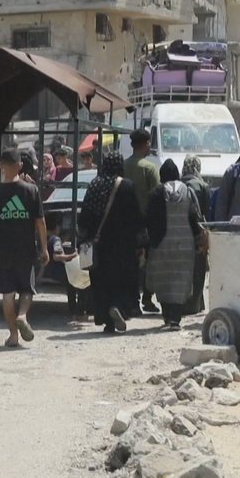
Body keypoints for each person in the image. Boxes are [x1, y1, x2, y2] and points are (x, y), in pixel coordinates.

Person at [0, 148, 48, 347]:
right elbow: (40, 222)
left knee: (7, 294)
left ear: (1, 166)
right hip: (25, 249)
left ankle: (13, 336)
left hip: (2, 251)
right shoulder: (31, 190)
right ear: (20, 166)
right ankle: (23, 316)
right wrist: (44, 248)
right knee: (27, 288)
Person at [78, 153, 146, 333]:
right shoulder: (127, 186)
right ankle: (118, 307)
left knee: (101, 282)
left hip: (98, 246)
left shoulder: (94, 185)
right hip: (122, 246)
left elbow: (84, 216)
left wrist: (83, 239)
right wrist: (141, 243)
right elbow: (136, 217)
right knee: (122, 280)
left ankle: (107, 322)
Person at [146, 159, 206, 329]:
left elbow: (149, 218)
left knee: (164, 280)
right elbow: (194, 217)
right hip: (184, 244)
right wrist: (198, 238)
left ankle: (167, 316)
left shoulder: (156, 192)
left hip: (161, 244)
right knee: (180, 279)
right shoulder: (187, 191)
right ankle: (175, 318)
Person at [123, 129, 161, 314]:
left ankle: (132, 302)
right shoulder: (149, 168)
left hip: (125, 223)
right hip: (146, 224)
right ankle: (147, 298)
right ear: (145, 144)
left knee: (129, 263)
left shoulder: (123, 166)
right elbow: (158, 196)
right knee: (148, 263)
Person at [180, 155, 210, 315]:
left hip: (180, 231)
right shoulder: (202, 185)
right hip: (197, 232)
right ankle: (196, 303)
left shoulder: (178, 183)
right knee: (198, 270)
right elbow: (205, 212)